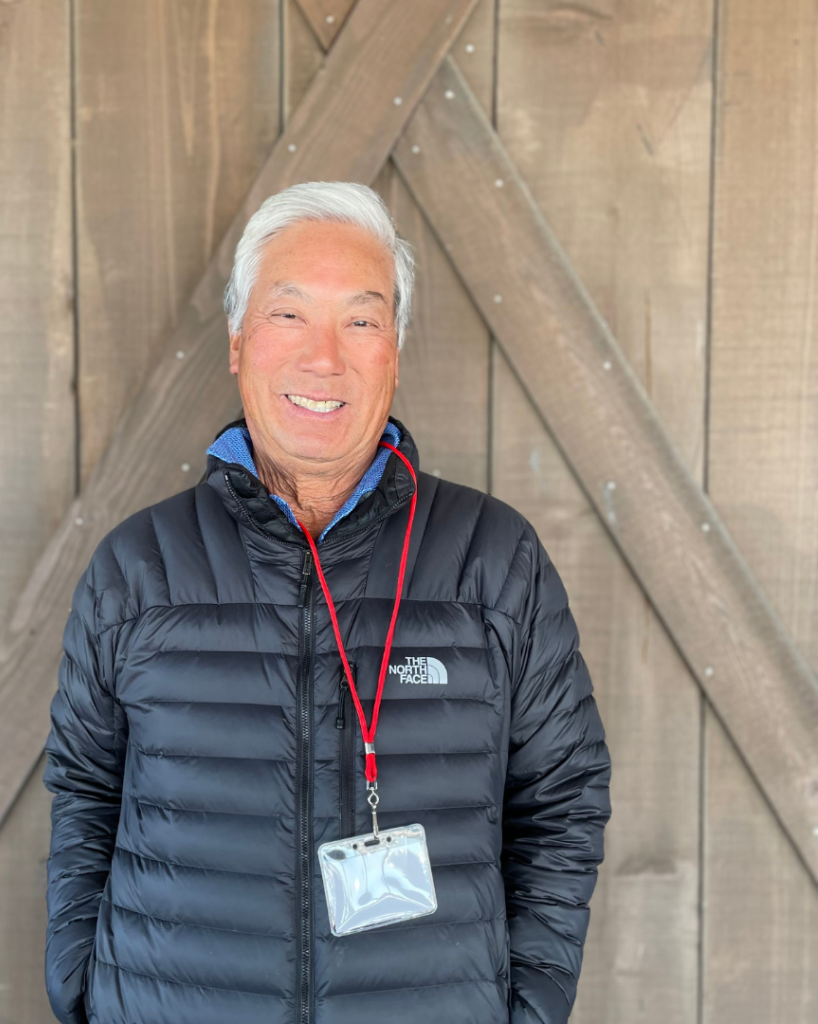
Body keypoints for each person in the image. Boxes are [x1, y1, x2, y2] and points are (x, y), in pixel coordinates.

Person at [42, 181, 611, 1024]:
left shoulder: (492, 563)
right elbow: (85, 789)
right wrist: (83, 989)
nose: (324, 357)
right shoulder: (139, 569)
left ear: (395, 349)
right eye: (289, 315)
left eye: (361, 319)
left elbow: (562, 796)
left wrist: (523, 1007)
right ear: (237, 342)